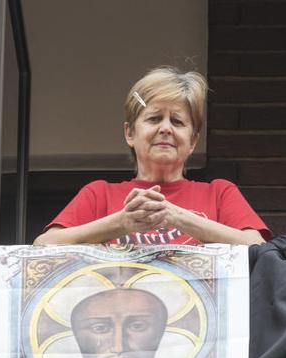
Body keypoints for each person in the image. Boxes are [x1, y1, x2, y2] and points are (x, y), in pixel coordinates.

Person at [34, 66, 270, 246]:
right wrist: (121, 223)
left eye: (177, 121)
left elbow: (258, 246)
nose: (166, 128)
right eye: (154, 118)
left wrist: (177, 217)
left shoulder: (219, 193)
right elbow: (43, 246)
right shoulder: (99, 194)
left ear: (193, 141)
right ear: (130, 133)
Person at [66, 288, 175, 358]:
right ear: (77, 337)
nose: (119, 348)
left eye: (137, 326)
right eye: (100, 328)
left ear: (159, 333)